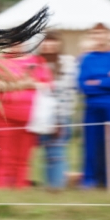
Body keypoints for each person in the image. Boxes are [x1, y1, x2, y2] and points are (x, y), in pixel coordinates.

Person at [0, 44, 52, 189]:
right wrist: (24, 83)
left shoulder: (38, 61)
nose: (16, 43)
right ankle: (0, 192)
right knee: (2, 158)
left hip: (29, 118)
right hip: (2, 116)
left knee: (23, 159)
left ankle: (20, 190)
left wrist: (10, 84)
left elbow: (46, 85)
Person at [78, 23, 110, 188]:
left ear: (107, 36)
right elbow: (82, 85)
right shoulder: (86, 58)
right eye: (95, 34)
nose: (98, 37)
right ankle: (89, 180)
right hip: (91, 107)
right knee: (91, 145)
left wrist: (95, 81)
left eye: (101, 34)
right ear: (92, 37)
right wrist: (104, 80)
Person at [38, 33, 77, 190]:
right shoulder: (36, 63)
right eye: (45, 42)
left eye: (52, 42)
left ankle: (57, 186)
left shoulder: (67, 63)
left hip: (61, 114)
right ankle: (49, 184)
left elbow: (70, 91)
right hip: (41, 115)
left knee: (57, 151)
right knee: (46, 151)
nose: (48, 45)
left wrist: (61, 115)